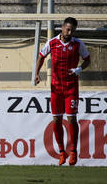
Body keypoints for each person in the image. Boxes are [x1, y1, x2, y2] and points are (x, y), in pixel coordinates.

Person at [35, 17, 91, 166]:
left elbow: (87, 60)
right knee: (57, 120)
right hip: (56, 88)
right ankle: (61, 152)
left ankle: (73, 152)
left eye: (72, 30)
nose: (70, 32)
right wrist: (36, 73)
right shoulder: (52, 43)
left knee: (72, 119)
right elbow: (41, 57)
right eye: (68, 29)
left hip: (71, 87)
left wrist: (79, 69)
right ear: (62, 28)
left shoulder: (78, 44)